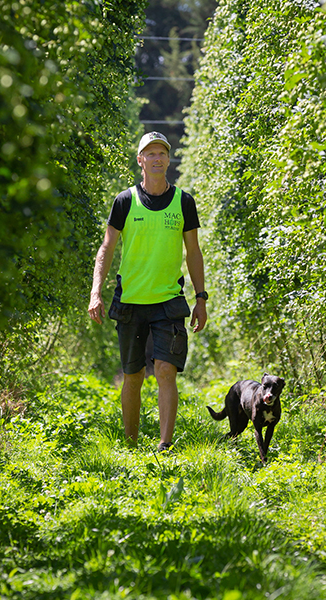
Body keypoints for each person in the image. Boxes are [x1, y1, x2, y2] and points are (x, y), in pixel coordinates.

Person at [88, 131, 208, 452]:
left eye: (162, 154)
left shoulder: (184, 202)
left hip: (169, 302)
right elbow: (107, 247)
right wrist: (95, 292)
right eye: (150, 154)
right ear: (140, 160)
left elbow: (193, 252)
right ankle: (130, 444)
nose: (157, 159)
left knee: (166, 370)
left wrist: (201, 297)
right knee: (134, 375)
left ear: (168, 160)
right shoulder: (125, 201)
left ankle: (165, 445)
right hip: (130, 301)